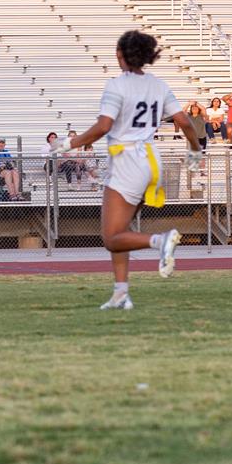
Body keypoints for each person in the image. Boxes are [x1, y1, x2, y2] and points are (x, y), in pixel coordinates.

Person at [56, 30, 202, 310]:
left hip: (128, 161)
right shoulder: (159, 85)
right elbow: (184, 121)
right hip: (151, 161)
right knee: (120, 231)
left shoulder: (117, 85)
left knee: (111, 237)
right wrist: (195, 150)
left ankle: (160, 241)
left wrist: (68, 144)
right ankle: (121, 293)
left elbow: (104, 126)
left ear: (121, 55)